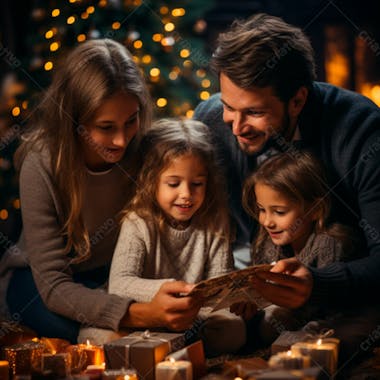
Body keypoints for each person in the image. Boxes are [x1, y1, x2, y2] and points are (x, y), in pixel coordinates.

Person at [194, 12, 380, 364]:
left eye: (254, 112)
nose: (236, 126)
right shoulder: (211, 123)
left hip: (341, 293)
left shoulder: (360, 131)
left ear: (297, 100)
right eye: (228, 107)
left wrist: (319, 283)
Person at [2, 39, 200, 343]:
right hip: (40, 282)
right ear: (74, 121)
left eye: (131, 121)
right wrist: (141, 314)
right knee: (91, 337)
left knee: (183, 330)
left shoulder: (147, 150)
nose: (121, 140)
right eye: (106, 127)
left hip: (113, 277)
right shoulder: (41, 163)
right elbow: (54, 286)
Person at [79, 118, 246, 356]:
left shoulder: (215, 220)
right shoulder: (138, 221)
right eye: (173, 183)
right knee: (98, 336)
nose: (186, 194)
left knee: (233, 329)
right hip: (143, 316)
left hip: (192, 316)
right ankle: (166, 348)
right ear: (151, 180)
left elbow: (219, 283)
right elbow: (120, 283)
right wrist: (176, 290)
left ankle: (170, 348)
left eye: (197, 183)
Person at [232, 151, 356, 344]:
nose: (266, 221)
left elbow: (334, 309)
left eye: (279, 212)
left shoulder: (329, 245)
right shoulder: (266, 240)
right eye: (262, 209)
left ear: (315, 209)